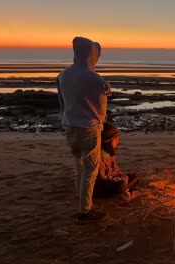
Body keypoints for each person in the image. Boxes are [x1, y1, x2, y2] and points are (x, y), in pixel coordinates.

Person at [57, 36, 111, 224]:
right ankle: (85, 210)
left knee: (79, 165)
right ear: (90, 54)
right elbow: (102, 107)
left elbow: (62, 102)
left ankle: (82, 200)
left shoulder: (63, 75)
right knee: (90, 170)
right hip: (88, 128)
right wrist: (100, 122)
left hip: (69, 126)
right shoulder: (95, 79)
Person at [93, 122, 142, 200]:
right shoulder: (97, 158)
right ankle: (124, 192)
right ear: (107, 141)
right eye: (115, 139)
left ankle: (125, 191)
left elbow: (117, 170)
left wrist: (124, 177)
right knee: (121, 185)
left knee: (135, 176)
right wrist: (120, 180)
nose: (118, 141)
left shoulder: (110, 154)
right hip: (104, 185)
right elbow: (102, 178)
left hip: (116, 180)